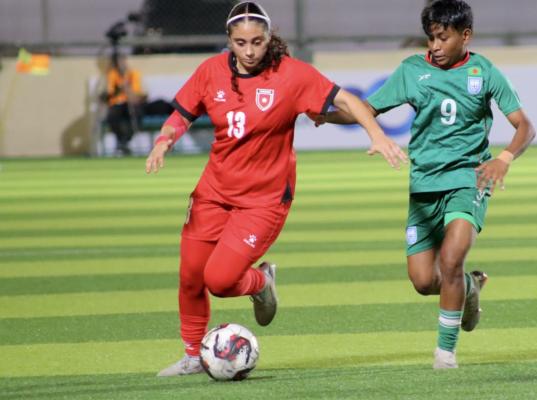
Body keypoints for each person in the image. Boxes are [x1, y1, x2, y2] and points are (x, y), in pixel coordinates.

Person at [146, 1, 408, 377]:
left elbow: (347, 100)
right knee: (190, 276)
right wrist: (163, 141)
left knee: (219, 280)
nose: (250, 51)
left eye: (257, 42)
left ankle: (261, 281)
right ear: (229, 40)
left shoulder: (291, 74)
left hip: (263, 201)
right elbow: (181, 115)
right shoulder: (210, 71)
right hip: (213, 192)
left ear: (269, 38)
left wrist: (377, 135)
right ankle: (192, 356)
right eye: (241, 43)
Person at [316, 0, 535, 369]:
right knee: (422, 281)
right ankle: (469, 287)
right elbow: (367, 110)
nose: (435, 46)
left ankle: (445, 353)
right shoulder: (412, 70)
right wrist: (325, 116)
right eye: (431, 38)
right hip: (423, 185)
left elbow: (525, 126)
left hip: (468, 179)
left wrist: (504, 158)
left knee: (451, 260)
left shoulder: (484, 72)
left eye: (443, 38)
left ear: (466, 36)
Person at [105, 53, 145, 156]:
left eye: (122, 61)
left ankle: (125, 141)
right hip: (116, 104)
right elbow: (110, 93)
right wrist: (120, 87)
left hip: (130, 103)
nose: (121, 64)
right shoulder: (112, 74)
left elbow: (137, 94)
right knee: (112, 116)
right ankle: (121, 140)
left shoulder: (133, 74)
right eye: (118, 62)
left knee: (137, 114)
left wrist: (127, 87)